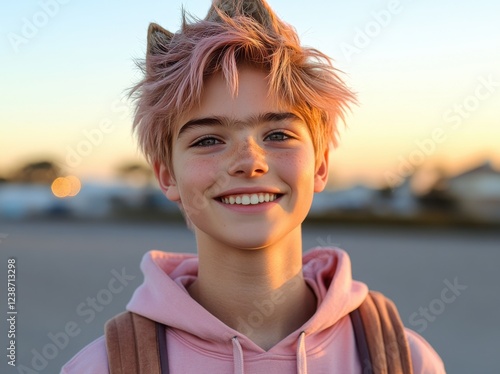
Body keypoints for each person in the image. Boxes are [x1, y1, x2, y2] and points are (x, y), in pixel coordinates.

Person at [61, 0, 446, 372]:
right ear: (167, 175)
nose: (249, 161)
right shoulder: (105, 367)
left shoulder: (405, 360)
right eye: (208, 140)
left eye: (278, 134)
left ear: (321, 164)